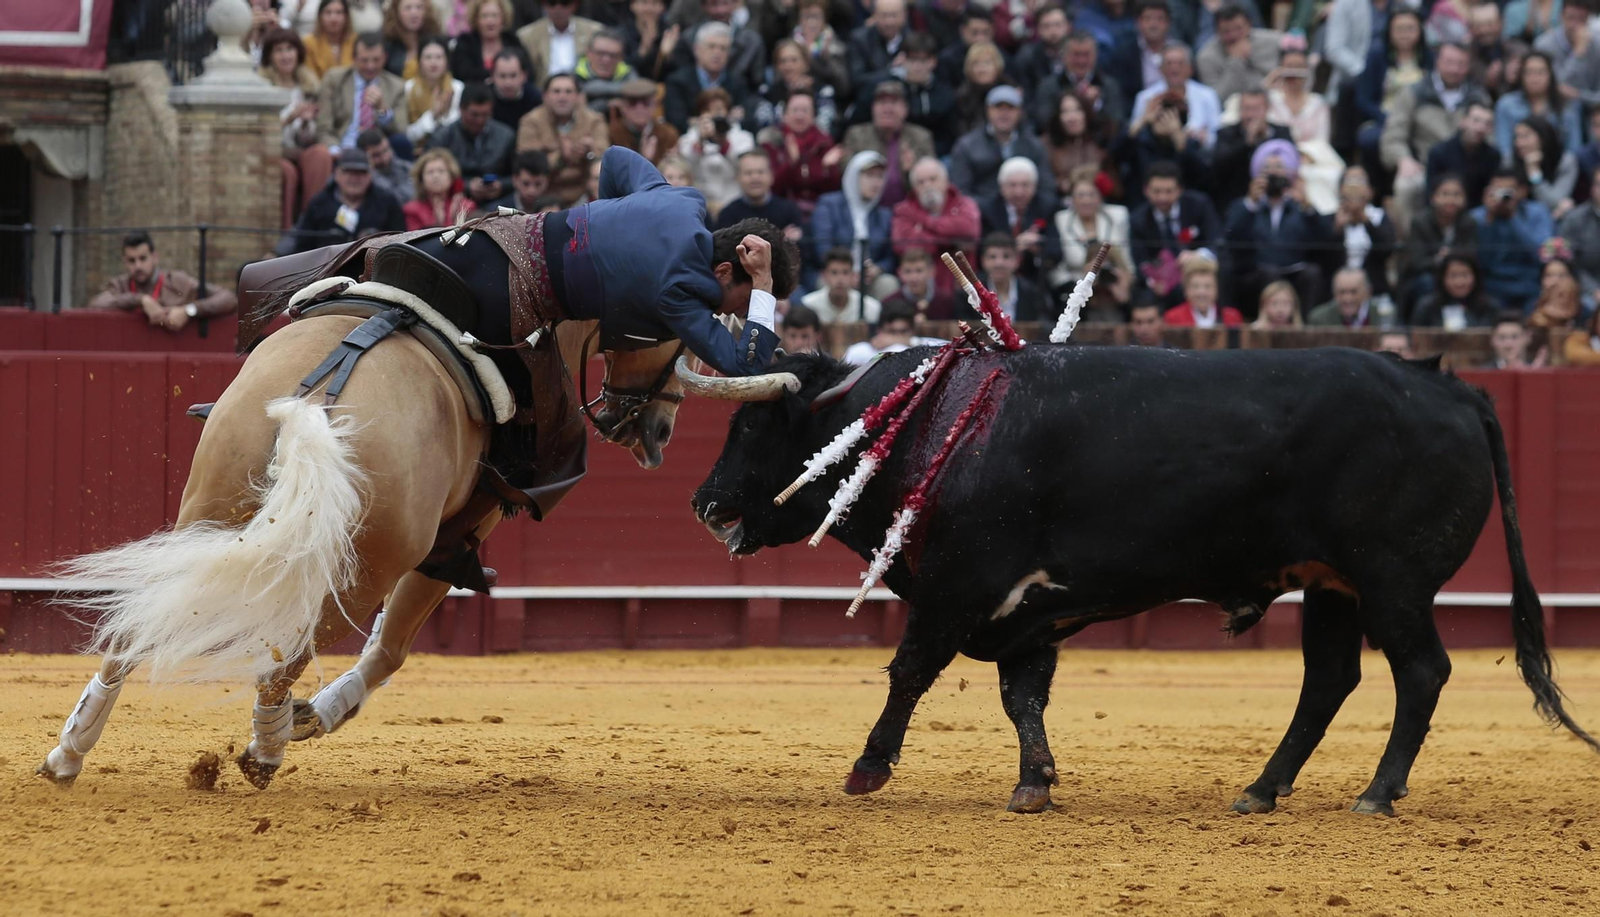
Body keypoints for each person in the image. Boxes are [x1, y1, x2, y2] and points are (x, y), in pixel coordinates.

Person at [553, 145, 800, 375]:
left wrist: (606, 219)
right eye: (749, 300)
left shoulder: (683, 202)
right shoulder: (683, 291)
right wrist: (762, 281)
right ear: (724, 272)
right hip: (527, 290)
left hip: (526, 234)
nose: (744, 315)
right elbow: (748, 367)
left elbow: (616, 157)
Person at [1380, 41, 1491, 235]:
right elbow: (1393, 135)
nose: (1454, 69)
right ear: (1437, 62)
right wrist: (1403, 159)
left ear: (1469, 66)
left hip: (1468, 167)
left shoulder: (1479, 97)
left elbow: (1491, 137)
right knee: (1405, 186)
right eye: (1449, 62)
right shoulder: (1415, 93)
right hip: (1424, 166)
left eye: (1461, 63)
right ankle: (1412, 245)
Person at [1225, 139, 1328, 316]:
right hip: (1256, 274)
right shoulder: (1245, 206)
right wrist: (1251, 203)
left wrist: (1307, 206)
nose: (1272, 173)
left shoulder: (1299, 206)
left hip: (1295, 270)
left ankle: (1304, 326)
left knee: (1312, 274)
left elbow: (1324, 238)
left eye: (1279, 167)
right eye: (1266, 169)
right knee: (1269, 274)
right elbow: (1231, 237)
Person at [87, 231, 238, 329]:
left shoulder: (177, 280)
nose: (138, 266)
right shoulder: (120, 285)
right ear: (124, 262)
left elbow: (228, 298)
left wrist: (189, 310)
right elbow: (95, 304)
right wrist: (141, 300)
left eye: (143, 258)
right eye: (131, 261)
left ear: (155, 257)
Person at [1128, 161, 1225, 306]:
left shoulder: (1199, 205)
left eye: (1168, 191)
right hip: (1162, 284)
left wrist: (1198, 255)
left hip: (1199, 271)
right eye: (1157, 191)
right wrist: (1152, 282)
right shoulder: (1138, 219)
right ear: (1146, 190)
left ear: (1179, 189)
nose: (1163, 198)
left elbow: (1217, 241)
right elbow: (1140, 260)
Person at [1265, 37, 1344, 214]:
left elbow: (1321, 141)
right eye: (1289, 67)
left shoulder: (1318, 104)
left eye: (1299, 67)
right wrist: (1268, 83)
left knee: (1326, 176)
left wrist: (1303, 155)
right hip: (1276, 161)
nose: (1293, 73)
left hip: (1309, 161)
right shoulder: (1269, 99)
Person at [279, 147, 406, 255]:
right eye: (349, 172)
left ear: (370, 175)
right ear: (337, 174)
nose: (355, 178)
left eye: (361, 173)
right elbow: (302, 243)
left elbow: (401, 242)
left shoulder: (387, 202)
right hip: (326, 273)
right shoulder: (319, 203)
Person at [811, 150, 898, 301]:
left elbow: (891, 256)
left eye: (880, 177)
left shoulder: (884, 215)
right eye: (869, 176)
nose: (876, 183)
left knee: (889, 284)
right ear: (853, 176)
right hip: (836, 275)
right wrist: (847, 273)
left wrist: (877, 269)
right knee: (822, 283)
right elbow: (822, 249)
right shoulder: (829, 205)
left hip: (869, 280)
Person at [891, 157, 983, 298]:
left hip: (962, 291)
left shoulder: (964, 204)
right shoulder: (903, 209)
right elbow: (903, 245)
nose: (928, 185)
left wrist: (924, 223)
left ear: (946, 181)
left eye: (933, 179)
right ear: (914, 188)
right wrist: (952, 242)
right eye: (921, 182)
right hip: (918, 292)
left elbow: (969, 230)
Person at [261, 27, 327, 222]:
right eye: (279, 50)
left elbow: (307, 138)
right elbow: (263, 131)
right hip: (273, 150)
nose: (285, 55)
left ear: (298, 53)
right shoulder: (264, 87)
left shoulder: (308, 87)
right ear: (270, 56)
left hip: (299, 148)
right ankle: (287, 232)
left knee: (321, 155)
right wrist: (290, 117)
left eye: (289, 49)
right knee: (287, 172)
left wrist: (306, 122)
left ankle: (313, 222)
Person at [948, 85, 1054, 204]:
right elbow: (960, 191)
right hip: (982, 214)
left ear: (1020, 112)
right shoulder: (966, 146)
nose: (1004, 113)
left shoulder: (1034, 146)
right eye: (998, 107)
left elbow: (1046, 188)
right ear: (987, 110)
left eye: (1010, 108)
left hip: (1026, 213)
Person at [517, 73, 610, 203]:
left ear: (578, 96)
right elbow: (526, 164)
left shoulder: (595, 120)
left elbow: (604, 158)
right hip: (543, 197)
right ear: (545, 96)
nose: (562, 97)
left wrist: (589, 153)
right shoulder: (530, 122)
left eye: (568, 91)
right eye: (556, 91)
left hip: (584, 196)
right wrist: (561, 156)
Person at [841, 81, 936, 209]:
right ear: (873, 108)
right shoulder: (856, 135)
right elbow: (849, 178)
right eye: (882, 103)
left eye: (894, 103)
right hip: (866, 209)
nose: (887, 108)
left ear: (905, 109)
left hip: (909, 211)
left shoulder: (921, 137)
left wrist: (911, 172)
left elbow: (931, 185)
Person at [1473, 168, 1556, 313]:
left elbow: (1542, 255)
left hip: (1530, 282)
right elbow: (1481, 259)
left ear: (1522, 191)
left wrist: (1513, 218)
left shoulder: (1538, 213)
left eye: (1507, 190)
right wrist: (1489, 220)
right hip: (1492, 284)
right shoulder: (1478, 216)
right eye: (1497, 190)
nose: (1502, 195)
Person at [314, 31, 410, 152]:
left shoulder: (396, 86)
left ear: (385, 58)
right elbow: (323, 128)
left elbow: (401, 130)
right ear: (354, 58)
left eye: (376, 60)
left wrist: (381, 110)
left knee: (401, 142)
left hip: (380, 152)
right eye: (364, 60)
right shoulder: (334, 80)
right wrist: (335, 150)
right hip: (344, 147)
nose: (370, 66)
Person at [1400, 173, 1479, 315]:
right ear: (1433, 197)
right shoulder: (1420, 222)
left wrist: (1453, 259)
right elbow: (1417, 261)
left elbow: (1472, 255)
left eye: (1456, 194)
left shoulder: (1469, 222)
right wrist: (1440, 261)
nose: (1451, 199)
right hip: (1429, 274)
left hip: (1460, 273)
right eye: (1445, 194)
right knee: (1426, 282)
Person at [978, 157, 1062, 289]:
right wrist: (1014, 246)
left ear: (1035, 186)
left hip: (1034, 279)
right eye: (1012, 185)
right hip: (995, 279)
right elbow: (981, 251)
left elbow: (1057, 253)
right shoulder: (988, 210)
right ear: (1001, 187)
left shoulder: (1046, 207)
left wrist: (1038, 247)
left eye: (1025, 185)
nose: (1019, 192)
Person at [760, 89, 843, 220]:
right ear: (785, 115)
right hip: (782, 212)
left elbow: (834, 191)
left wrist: (827, 169)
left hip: (820, 211)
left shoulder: (826, 144)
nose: (799, 116)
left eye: (805, 111)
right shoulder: (771, 143)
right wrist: (792, 163)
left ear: (814, 116)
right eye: (795, 110)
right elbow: (771, 187)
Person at [676, 87, 756, 215]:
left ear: (727, 112)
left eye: (719, 109)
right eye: (708, 110)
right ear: (700, 114)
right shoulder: (688, 139)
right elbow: (685, 168)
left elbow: (743, 166)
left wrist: (723, 143)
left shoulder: (743, 137)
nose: (713, 114)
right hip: (700, 205)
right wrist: (700, 141)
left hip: (733, 202)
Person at [434, 83, 518, 204]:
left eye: (485, 115)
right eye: (474, 115)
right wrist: (465, 186)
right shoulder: (442, 137)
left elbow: (518, 176)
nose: (479, 120)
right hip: (453, 200)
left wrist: (501, 185)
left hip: (498, 202)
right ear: (461, 109)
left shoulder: (506, 136)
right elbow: (430, 176)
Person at [1051, 167, 1131, 292]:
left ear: (1100, 197)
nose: (1086, 200)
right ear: (1072, 198)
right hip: (1075, 288)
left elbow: (1127, 260)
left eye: (1091, 194)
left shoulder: (1117, 216)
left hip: (1114, 287)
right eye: (1081, 195)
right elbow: (1058, 269)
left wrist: (1124, 280)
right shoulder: (1061, 220)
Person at [1029, 32, 1128, 132]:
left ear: (1096, 55)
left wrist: (1095, 106)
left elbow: (1117, 122)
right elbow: (1043, 121)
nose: (1081, 61)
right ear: (1063, 55)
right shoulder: (1048, 86)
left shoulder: (1109, 85)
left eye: (1086, 54)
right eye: (1076, 55)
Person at [1323, 166, 1396, 299]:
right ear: (1341, 190)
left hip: (1374, 288)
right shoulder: (1329, 219)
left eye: (1360, 180)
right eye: (1350, 180)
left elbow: (1386, 251)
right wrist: (1337, 230)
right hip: (1336, 291)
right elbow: (1323, 259)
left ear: (1370, 191)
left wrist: (1366, 222)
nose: (1354, 186)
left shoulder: (1379, 216)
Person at [1211, 88, 1291, 210]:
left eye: (1256, 109)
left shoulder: (1281, 132)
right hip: (1237, 199)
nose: (1251, 115)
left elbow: (1291, 162)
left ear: (1267, 109)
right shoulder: (1226, 134)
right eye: (1246, 109)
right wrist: (1247, 143)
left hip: (1275, 199)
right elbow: (1219, 165)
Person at [663, 22, 750, 133]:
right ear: (696, 49)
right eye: (711, 46)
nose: (717, 53)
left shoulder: (738, 83)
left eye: (723, 48)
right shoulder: (677, 82)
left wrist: (694, 121)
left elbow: (746, 120)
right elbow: (676, 122)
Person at [1494, 50, 1583, 159]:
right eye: (1529, 72)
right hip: (1517, 168)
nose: (1534, 78)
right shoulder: (1506, 105)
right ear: (1521, 75)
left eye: (1540, 72)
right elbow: (1504, 149)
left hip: (1557, 167)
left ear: (1550, 75)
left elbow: (1573, 150)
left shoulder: (1567, 107)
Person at [1130, 45, 1221, 148]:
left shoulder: (1208, 96)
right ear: (1161, 69)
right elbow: (1133, 135)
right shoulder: (1145, 97)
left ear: (1190, 69)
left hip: (1197, 155)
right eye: (1169, 64)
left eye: (1180, 63)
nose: (1174, 69)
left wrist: (1204, 138)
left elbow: (1218, 137)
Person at [1195, 3, 1281, 106]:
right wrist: (1236, 60)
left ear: (1249, 25)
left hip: (1275, 103)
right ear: (1217, 31)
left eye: (1239, 28)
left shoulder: (1274, 42)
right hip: (1232, 112)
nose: (1234, 36)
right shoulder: (1206, 57)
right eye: (1227, 31)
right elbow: (1216, 100)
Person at [1043, 92, 1119, 201]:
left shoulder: (1102, 142)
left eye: (1077, 110)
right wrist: (1060, 184)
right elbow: (1043, 182)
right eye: (1065, 112)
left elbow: (1116, 189)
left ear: (1087, 113)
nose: (1071, 117)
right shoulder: (1046, 144)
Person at [715, 149, 804, 238]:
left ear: (771, 175)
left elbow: (799, 248)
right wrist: (780, 239)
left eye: (760, 172)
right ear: (738, 178)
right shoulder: (728, 214)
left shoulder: (789, 211)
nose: (755, 177)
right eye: (748, 173)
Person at [1109, 0, 1188, 100]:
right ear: (1138, 22)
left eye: (1160, 19)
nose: (1153, 25)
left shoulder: (1181, 52)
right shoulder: (1124, 55)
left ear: (1168, 23)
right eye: (1148, 18)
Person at [1425, 100, 1499, 206]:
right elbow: (1430, 194)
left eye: (1487, 123)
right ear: (1463, 121)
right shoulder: (1439, 152)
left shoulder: (1493, 156)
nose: (1480, 128)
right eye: (1476, 121)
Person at [965, 232, 1050, 322]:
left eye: (1006, 256)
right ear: (983, 261)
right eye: (992, 257)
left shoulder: (1032, 293)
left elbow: (1041, 327)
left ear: (1017, 260)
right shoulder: (970, 295)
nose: (999, 263)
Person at [517, 0, 603, 87]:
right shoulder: (527, 35)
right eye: (552, 3)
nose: (558, 9)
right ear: (544, 5)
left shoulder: (594, 31)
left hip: (585, 90)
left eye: (565, 3)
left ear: (574, 5)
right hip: (542, 92)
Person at [1510, 116, 1578, 219]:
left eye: (1525, 137)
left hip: (1552, 219)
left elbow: (1555, 201)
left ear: (1543, 138)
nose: (1519, 143)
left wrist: (1534, 173)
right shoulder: (1509, 160)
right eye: (1517, 137)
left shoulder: (1565, 162)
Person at [448, 0, 529, 85]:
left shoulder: (512, 41)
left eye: (495, 16)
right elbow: (461, 75)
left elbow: (528, 72)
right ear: (476, 19)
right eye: (484, 16)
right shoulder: (465, 43)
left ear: (503, 18)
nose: (490, 22)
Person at [403, 36, 463, 145]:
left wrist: (442, 115)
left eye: (439, 57)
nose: (434, 63)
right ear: (419, 61)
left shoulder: (458, 88)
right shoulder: (408, 88)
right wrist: (433, 115)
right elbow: (407, 134)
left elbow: (457, 130)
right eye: (428, 57)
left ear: (447, 61)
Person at [1412, 253, 1501, 327]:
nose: (1459, 282)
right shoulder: (1427, 307)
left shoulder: (1490, 307)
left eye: (1465, 275)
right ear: (1442, 278)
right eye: (1453, 276)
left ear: (1475, 277)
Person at [608, 78, 679, 165]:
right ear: (623, 107)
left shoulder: (667, 134)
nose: (639, 109)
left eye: (646, 103)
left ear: (655, 106)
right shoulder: (612, 133)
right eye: (632, 104)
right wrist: (644, 159)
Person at [802, 247, 883, 323]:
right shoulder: (809, 306)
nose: (840, 279)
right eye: (834, 272)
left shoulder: (870, 308)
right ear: (824, 276)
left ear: (853, 275)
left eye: (845, 272)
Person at [846, 0, 912, 93]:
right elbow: (857, 81)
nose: (889, 22)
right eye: (884, 15)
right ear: (874, 15)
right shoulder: (859, 40)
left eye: (894, 15)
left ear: (905, 15)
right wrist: (891, 71)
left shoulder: (912, 40)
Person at [403, 148, 477, 229]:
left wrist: (452, 217)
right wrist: (438, 223)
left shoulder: (465, 206)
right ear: (421, 179)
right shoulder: (412, 210)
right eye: (430, 172)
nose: (436, 176)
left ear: (451, 177)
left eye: (441, 171)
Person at [841, 302, 938, 364]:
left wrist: (910, 341)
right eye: (891, 332)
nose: (896, 338)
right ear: (879, 330)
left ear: (912, 331)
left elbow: (947, 348)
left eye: (903, 331)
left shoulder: (920, 346)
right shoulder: (861, 351)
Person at [1161, 257, 1242, 327]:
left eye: (1207, 286)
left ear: (1216, 289)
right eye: (1195, 286)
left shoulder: (1232, 317)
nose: (1201, 292)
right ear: (1186, 290)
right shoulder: (1172, 318)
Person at [880, 246, 956, 320]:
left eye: (919, 271)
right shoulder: (890, 303)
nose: (913, 278)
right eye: (908, 271)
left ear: (931, 271)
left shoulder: (947, 301)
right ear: (900, 273)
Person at [1307, 267, 1386, 327]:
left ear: (1367, 292)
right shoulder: (1319, 319)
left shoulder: (1382, 315)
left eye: (1353, 292)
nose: (1347, 299)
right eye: (1341, 292)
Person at [382, 0, 440, 79]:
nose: (414, 13)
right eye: (408, 8)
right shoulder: (387, 44)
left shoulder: (435, 40)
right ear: (396, 12)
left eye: (419, 7)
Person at [303, 0, 355, 79]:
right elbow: (310, 78)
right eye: (328, 13)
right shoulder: (309, 43)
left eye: (339, 12)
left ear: (346, 16)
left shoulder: (356, 41)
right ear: (320, 16)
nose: (333, 18)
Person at [490, 49, 542, 130]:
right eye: (502, 76)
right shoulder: (484, 99)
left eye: (513, 75)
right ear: (493, 76)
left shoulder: (536, 99)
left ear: (524, 76)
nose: (508, 82)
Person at [358, 128, 414, 202]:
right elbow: (393, 200)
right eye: (376, 155)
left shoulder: (405, 167)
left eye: (386, 150)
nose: (384, 159)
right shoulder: (360, 181)